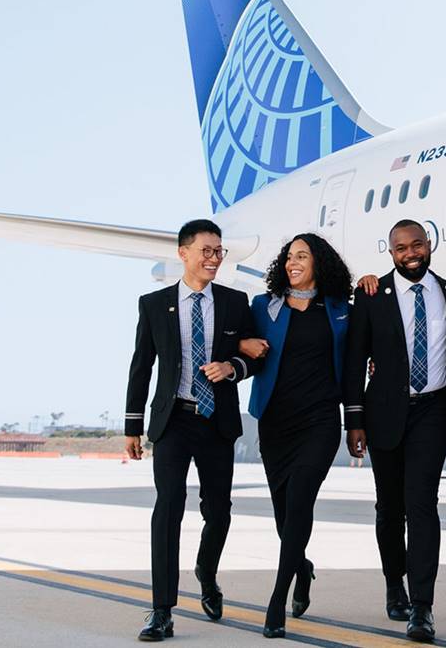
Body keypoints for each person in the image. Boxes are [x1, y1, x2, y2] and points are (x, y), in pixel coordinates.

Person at [124, 219, 258, 642]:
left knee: (218, 510)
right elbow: (140, 366)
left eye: (219, 251)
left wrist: (232, 368)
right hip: (173, 419)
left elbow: (257, 356)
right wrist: (132, 425)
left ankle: (207, 571)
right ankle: (161, 609)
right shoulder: (154, 303)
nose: (214, 258)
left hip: (216, 419)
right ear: (183, 253)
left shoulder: (237, 302)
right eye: (206, 250)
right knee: (168, 508)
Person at [344, 219, 446, 643]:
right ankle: (395, 582)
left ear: (429, 245)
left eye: (417, 245)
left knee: (423, 505)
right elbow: (355, 359)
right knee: (389, 508)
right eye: (400, 248)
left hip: (433, 411)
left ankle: (422, 606)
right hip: (384, 414)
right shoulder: (372, 294)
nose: (410, 253)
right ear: (390, 251)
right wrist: (353, 419)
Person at [238, 233, 352, 638]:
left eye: (301, 256)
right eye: (288, 257)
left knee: (301, 499)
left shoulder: (340, 309)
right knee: (285, 518)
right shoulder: (263, 307)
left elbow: (366, 349)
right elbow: (233, 341)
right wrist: (242, 344)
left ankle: (276, 600)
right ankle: (302, 569)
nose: (292, 262)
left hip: (320, 421)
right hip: (276, 423)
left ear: (320, 262)